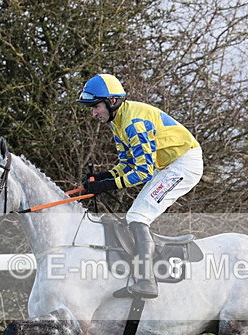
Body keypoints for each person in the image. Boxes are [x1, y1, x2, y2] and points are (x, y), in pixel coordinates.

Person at [76, 73, 203, 299]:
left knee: (137, 216)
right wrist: (103, 177)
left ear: (112, 101)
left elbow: (143, 172)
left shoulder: (134, 123)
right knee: (134, 216)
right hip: (170, 164)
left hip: (183, 164)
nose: (93, 113)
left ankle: (147, 281)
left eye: (96, 106)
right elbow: (127, 164)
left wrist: (108, 185)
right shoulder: (118, 121)